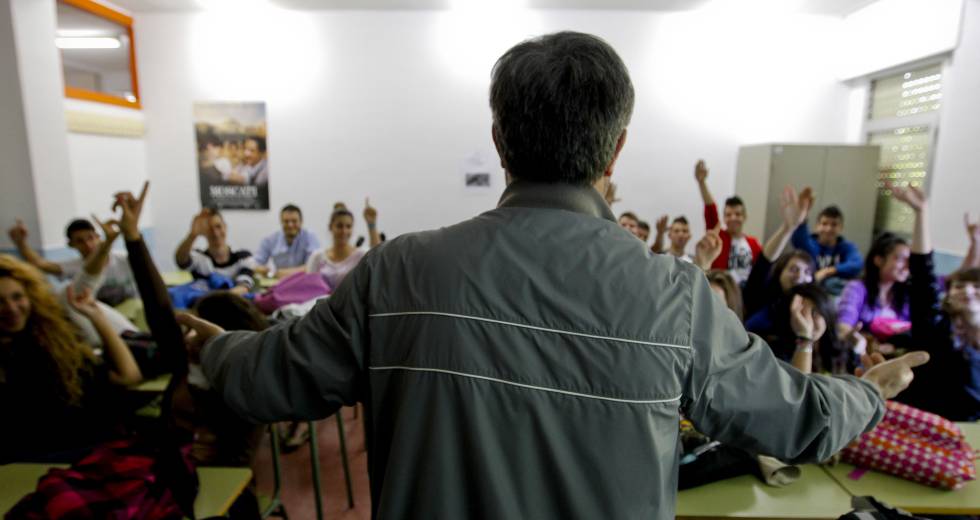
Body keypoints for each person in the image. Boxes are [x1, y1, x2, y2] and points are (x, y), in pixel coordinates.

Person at [179, 32, 927, 519]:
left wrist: (216, 348)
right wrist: (869, 391)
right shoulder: (670, 295)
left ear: (498, 139)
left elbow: (269, 380)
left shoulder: (400, 270)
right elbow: (796, 420)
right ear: (617, 150)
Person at [0, 254, 142, 463]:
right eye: (0, 302)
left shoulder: (53, 342)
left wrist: (96, 317)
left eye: (17, 297)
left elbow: (128, 376)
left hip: (85, 452)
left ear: (30, 297)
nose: (11, 308)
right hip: (26, 461)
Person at [889, 187, 980, 421]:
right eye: (960, 286)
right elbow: (923, 276)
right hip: (928, 430)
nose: (968, 291)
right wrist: (922, 213)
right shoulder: (936, 327)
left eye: (976, 287)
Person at [7, 218, 138, 306]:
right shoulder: (74, 266)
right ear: (71, 245)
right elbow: (40, 264)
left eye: (90, 238)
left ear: (98, 237)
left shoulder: (124, 260)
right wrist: (21, 243)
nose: (88, 245)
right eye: (80, 241)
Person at [837, 232, 911, 352]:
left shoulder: (906, 295)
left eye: (909, 260)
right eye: (900, 259)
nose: (907, 267)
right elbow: (843, 326)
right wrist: (857, 339)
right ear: (878, 260)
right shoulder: (856, 288)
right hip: (862, 354)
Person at [694, 160, 762, 283]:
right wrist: (702, 182)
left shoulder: (754, 244)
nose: (733, 218)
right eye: (728, 215)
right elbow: (711, 209)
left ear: (745, 217)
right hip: (720, 289)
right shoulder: (718, 237)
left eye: (738, 214)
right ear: (724, 218)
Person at [174, 208, 258, 295]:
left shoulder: (243, 256)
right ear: (203, 232)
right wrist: (193, 234)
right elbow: (181, 261)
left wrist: (217, 300)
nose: (215, 233)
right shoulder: (198, 257)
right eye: (209, 229)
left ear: (225, 226)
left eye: (218, 226)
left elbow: (243, 287)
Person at [305, 199, 380, 290]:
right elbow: (309, 289)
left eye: (348, 226)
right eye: (339, 226)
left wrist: (371, 225)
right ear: (330, 227)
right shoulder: (317, 257)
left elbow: (377, 259)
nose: (344, 231)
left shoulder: (361, 255)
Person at [790, 205, 863, 294]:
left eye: (834, 225)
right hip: (811, 292)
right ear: (817, 226)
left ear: (841, 228)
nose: (828, 229)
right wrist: (803, 216)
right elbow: (798, 239)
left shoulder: (847, 247)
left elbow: (857, 264)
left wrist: (827, 271)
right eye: (824, 224)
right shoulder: (810, 245)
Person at [253, 204, 320, 279]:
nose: (290, 225)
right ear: (281, 222)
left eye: (294, 221)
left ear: (301, 221)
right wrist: (263, 270)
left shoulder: (310, 237)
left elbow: (314, 266)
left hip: (304, 282)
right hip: (280, 282)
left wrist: (281, 273)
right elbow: (255, 264)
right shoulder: (270, 240)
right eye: (286, 221)